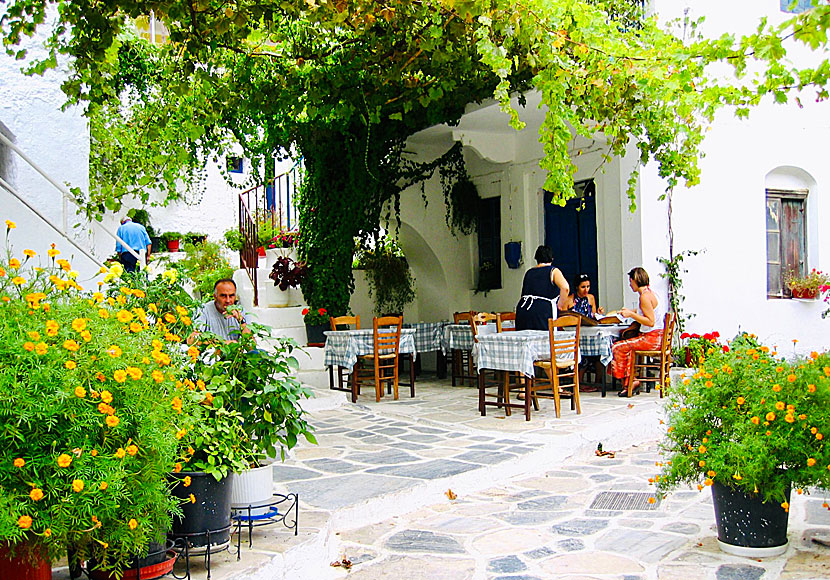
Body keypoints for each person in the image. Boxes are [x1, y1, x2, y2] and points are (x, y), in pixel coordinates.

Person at [610, 267, 665, 396]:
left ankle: (629, 382)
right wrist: (630, 311)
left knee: (618, 347)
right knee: (627, 346)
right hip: (656, 337)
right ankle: (630, 380)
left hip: (651, 338)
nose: (630, 284)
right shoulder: (650, 293)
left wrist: (631, 315)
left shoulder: (644, 297)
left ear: (636, 280)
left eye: (630, 281)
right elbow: (646, 311)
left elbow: (650, 321)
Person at [515, 245, 570, 331]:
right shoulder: (553, 271)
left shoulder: (529, 272)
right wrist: (560, 304)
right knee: (545, 340)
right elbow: (565, 288)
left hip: (524, 309)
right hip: (542, 311)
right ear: (551, 258)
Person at [189, 279, 250, 343]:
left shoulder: (241, 311)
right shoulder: (203, 310)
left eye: (231, 296)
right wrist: (223, 343)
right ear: (215, 297)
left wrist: (241, 321)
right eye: (223, 296)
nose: (228, 300)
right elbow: (191, 339)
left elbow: (251, 346)